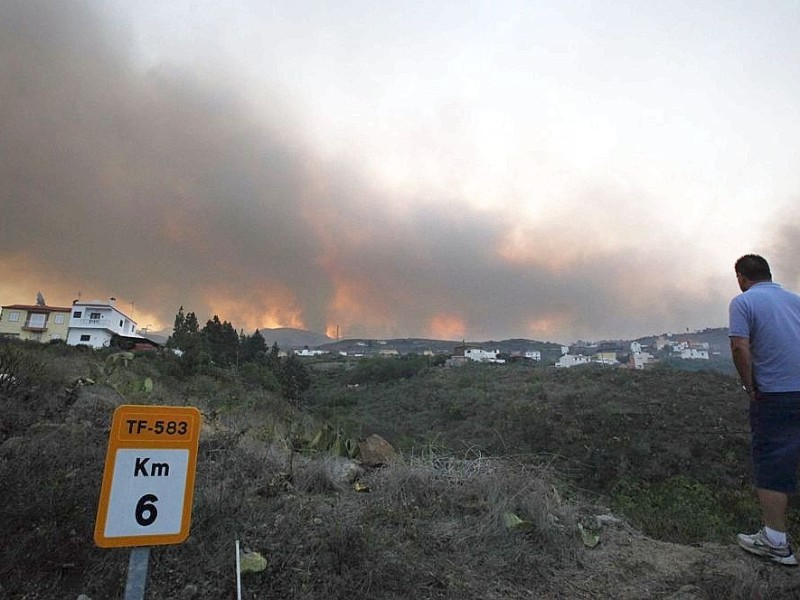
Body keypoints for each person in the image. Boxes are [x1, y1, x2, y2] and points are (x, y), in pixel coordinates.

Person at [729, 254, 800, 566]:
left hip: (774, 397)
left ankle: (775, 542)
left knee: (772, 465)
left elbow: (739, 346)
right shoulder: (795, 301)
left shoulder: (743, 302)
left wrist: (750, 385)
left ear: (742, 277)